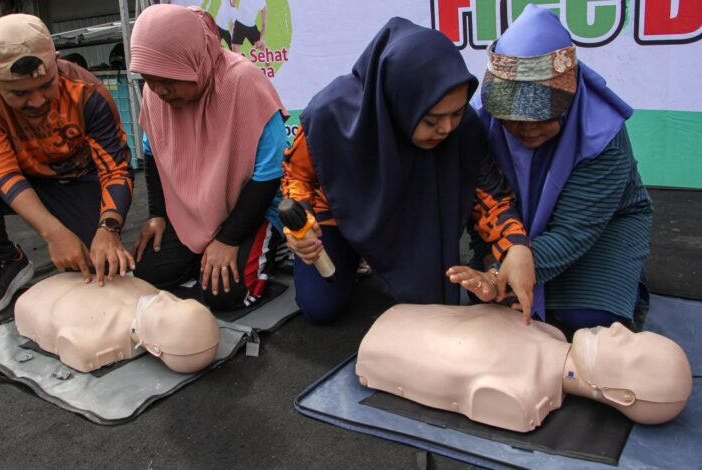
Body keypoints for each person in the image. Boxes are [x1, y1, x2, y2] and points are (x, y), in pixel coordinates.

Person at [282, 17, 535, 325]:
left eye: (456, 113)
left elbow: (490, 197)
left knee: (432, 306)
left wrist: (515, 245)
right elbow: (296, 176)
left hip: (412, 215)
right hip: (338, 209)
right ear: (398, 101)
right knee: (320, 308)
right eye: (431, 120)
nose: (446, 128)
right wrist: (302, 225)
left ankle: (379, 256)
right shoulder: (329, 114)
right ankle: (355, 255)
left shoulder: (464, 128)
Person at [463, 5, 653, 330]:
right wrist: (495, 260)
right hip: (515, 227)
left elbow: (574, 231)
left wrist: (499, 273)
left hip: (599, 228)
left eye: (542, 115)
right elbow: (481, 202)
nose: (527, 129)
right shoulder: (479, 121)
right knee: (486, 302)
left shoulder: (602, 131)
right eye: (512, 118)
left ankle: (628, 280)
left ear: (568, 99)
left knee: (589, 321)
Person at [0, 14, 135, 317]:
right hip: (19, 176)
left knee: (99, 265)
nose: (37, 101)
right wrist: (54, 233)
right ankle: (3, 260)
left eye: (45, 85)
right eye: (20, 93)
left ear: (56, 61)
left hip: (74, 179)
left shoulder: (87, 92)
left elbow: (115, 169)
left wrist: (109, 228)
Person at [129, 5, 286, 311]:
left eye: (168, 79)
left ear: (192, 60)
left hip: (250, 207)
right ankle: (205, 253)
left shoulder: (243, 83)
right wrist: (157, 214)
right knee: (150, 273)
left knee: (224, 295)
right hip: (190, 210)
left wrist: (228, 240)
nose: (159, 90)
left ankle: (268, 245)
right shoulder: (154, 93)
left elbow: (269, 174)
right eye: (149, 77)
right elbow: (151, 154)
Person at [357, 303, 692, 432]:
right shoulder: (551, 333)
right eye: (635, 335)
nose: (620, 330)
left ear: (622, 395)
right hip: (402, 319)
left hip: (386, 345)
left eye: (630, 348)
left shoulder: (521, 396)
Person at [15, 272, 220, 374]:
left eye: (163, 313)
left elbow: (72, 345)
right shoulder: (148, 290)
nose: (165, 297)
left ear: (155, 349)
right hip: (65, 282)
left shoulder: (100, 338)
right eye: (176, 302)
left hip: (39, 301)